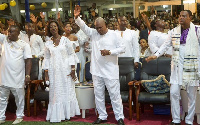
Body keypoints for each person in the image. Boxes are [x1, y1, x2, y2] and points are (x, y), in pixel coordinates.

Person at [146, 10, 200, 125]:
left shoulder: (197, 30)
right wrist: (155, 55)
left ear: (190, 17)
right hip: (177, 66)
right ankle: (176, 119)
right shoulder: (173, 31)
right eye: (180, 16)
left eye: (184, 16)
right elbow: (165, 45)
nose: (181, 18)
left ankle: (189, 120)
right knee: (174, 93)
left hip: (192, 67)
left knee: (191, 96)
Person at [74, 5, 125, 125]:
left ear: (106, 25)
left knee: (115, 95)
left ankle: (119, 117)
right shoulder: (94, 34)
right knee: (98, 95)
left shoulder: (114, 34)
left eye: (100, 27)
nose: (98, 30)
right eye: (97, 28)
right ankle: (102, 116)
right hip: (96, 70)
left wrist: (110, 52)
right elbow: (84, 27)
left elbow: (123, 48)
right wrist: (77, 18)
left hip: (110, 70)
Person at [42, 21, 80, 123]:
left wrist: (73, 69)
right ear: (49, 29)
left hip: (66, 70)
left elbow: (71, 54)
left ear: (58, 28)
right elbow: (46, 58)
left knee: (67, 91)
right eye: (51, 27)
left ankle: (67, 114)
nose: (53, 28)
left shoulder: (65, 40)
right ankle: (56, 115)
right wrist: (46, 74)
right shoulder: (48, 43)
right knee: (55, 93)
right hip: (53, 72)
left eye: (55, 26)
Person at [0, 25, 32, 124]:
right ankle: (1, 117)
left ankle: (19, 116)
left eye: (11, 32)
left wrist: (27, 76)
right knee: (2, 98)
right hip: (4, 76)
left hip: (18, 77)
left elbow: (29, 61)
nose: (9, 34)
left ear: (18, 33)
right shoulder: (4, 40)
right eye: (8, 31)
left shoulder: (24, 45)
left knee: (19, 98)